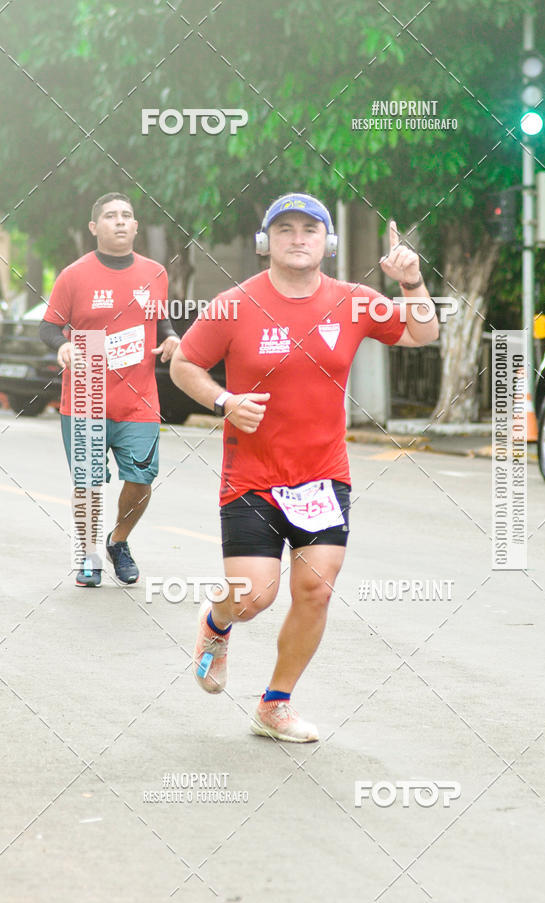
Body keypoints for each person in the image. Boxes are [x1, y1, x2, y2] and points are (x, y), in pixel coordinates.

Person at [170, 192, 439, 742]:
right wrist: (224, 402)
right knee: (253, 596)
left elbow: (421, 333)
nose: (298, 238)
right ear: (265, 241)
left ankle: (274, 705)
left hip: (322, 476)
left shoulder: (356, 301)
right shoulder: (234, 304)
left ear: (328, 242)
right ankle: (215, 624)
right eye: (286, 228)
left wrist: (411, 281)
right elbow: (184, 363)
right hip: (250, 475)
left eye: (310, 229)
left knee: (315, 591)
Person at [40, 192, 180, 587]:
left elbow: (160, 320)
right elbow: (48, 326)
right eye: (111, 216)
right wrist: (63, 345)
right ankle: (88, 555)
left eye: (127, 216)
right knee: (87, 484)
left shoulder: (155, 272)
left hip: (139, 400)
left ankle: (118, 541)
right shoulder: (74, 275)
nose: (120, 221)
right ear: (94, 227)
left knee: (140, 480)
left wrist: (172, 339)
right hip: (85, 398)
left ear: (136, 226)